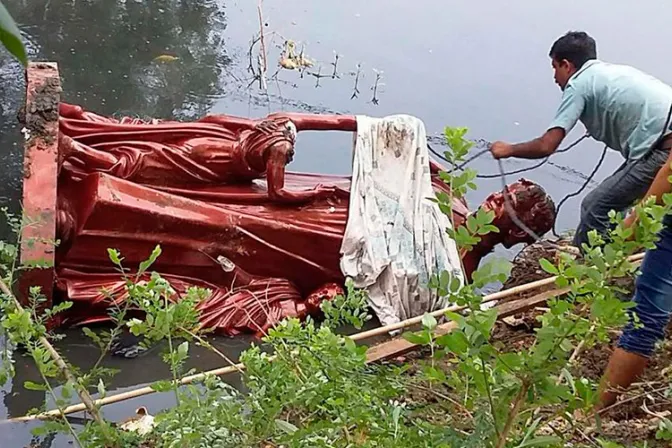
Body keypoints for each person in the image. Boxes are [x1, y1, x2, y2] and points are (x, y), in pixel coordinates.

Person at [489, 31, 672, 250]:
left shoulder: (578, 83)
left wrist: (508, 149)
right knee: (619, 207)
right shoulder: (611, 73)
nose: (555, 77)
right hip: (657, 145)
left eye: (555, 68)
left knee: (595, 206)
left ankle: (586, 273)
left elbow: (547, 145)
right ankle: (612, 257)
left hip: (662, 149)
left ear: (566, 65)